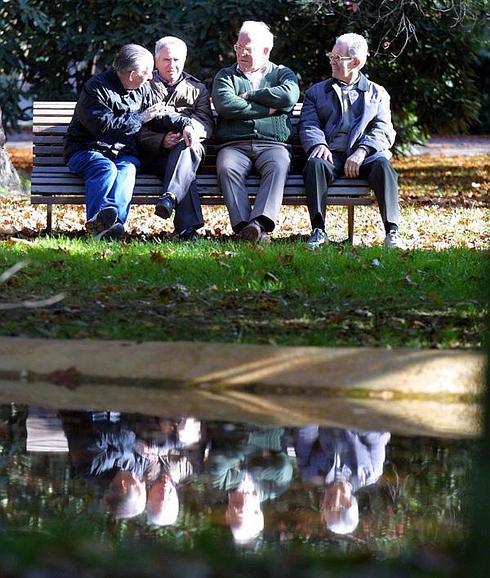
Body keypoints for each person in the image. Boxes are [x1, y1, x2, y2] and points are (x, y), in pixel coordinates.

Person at [299, 33, 406, 249]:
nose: (332, 61)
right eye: (332, 56)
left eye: (338, 58)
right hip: (331, 153)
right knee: (315, 164)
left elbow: (384, 129)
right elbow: (308, 124)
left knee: (384, 166)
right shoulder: (316, 92)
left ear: (355, 62)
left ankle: (392, 232)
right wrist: (318, 144)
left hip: (363, 155)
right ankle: (318, 230)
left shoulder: (378, 93)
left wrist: (363, 150)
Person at [64, 44, 167, 240]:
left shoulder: (143, 87)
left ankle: (112, 225)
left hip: (122, 152)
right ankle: (99, 225)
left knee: (127, 169)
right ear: (131, 74)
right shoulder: (96, 88)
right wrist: (140, 118)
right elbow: (104, 128)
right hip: (85, 150)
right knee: (105, 168)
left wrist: (183, 124)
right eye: (146, 72)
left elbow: (159, 110)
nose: (150, 76)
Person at [212, 21, 300, 242]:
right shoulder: (226, 75)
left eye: (247, 49)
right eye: (238, 47)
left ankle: (259, 223)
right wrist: (270, 108)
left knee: (279, 165)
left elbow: (289, 96)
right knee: (226, 167)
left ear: (265, 50)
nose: (241, 53)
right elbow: (225, 104)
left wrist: (251, 95)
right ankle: (245, 227)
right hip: (234, 145)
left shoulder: (282, 73)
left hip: (274, 144)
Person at [137, 36, 214, 241]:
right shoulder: (143, 85)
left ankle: (169, 198)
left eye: (177, 60)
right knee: (184, 169)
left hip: (189, 146)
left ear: (185, 60)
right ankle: (187, 231)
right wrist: (160, 140)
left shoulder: (198, 88)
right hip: (154, 153)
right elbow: (135, 126)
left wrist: (187, 132)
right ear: (156, 60)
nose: (172, 65)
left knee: (187, 150)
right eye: (166, 60)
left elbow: (206, 123)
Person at [294, 426, 390, 535]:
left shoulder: (311, 471)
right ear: (347, 504)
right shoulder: (371, 472)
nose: (324, 502)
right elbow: (377, 436)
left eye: (324, 508)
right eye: (330, 506)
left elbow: (305, 436)